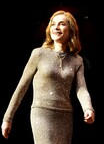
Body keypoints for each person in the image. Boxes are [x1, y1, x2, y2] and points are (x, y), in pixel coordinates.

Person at [1, 10, 95, 144]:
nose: (56, 27)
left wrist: (88, 108)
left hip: (65, 115)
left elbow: (81, 88)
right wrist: (7, 118)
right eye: (53, 24)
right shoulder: (38, 54)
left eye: (62, 24)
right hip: (42, 114)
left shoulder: (77, 60)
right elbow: (22, 86)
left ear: (71, 30)